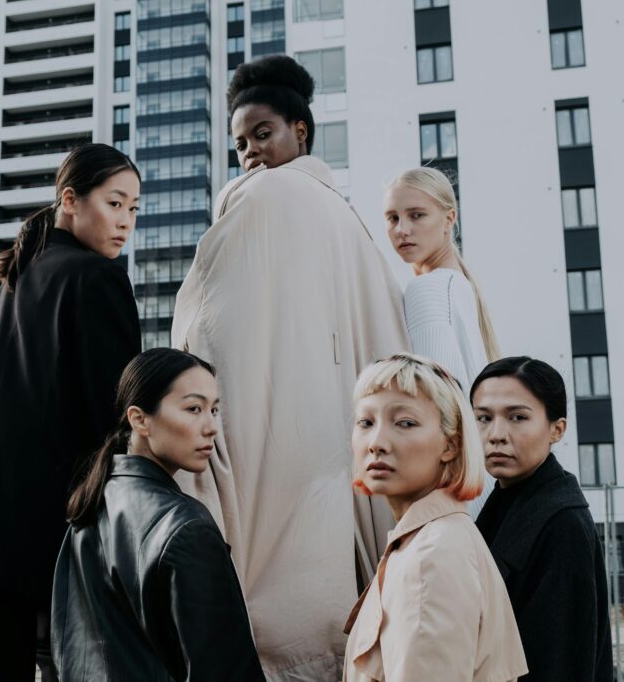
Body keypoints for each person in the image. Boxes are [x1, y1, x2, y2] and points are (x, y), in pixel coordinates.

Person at [171, 55, 409, 680]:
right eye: (240, 143)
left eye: (262, 133)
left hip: (279, 437)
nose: (249, 152)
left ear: (300, 130)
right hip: (347, 444)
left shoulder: (260, 198)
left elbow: (208, 324)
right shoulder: (351, 221)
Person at [0, 144, 142, 681]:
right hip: (40, 529)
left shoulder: (13, 284)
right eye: (115, 203)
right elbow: (114, 418)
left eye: (134, 209)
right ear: (71, 200)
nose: (126, 222)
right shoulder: (96, 278)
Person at [52, 348, 265, 681]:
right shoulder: (186, 527)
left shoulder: (92, 506)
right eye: (194, 408)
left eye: (214, 409)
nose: (211, 427)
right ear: (139, 419)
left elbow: (70, 649)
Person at [343, 353, 527, 681]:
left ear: (451, 445)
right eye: (366, 423)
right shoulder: (427, 540)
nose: (376, 443)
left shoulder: (431, 555)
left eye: (405, 423)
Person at [471, 357, 614, 681]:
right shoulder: (506, 501)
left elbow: (560, 664)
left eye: (517, 417)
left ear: (557, 429)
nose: (496, 435)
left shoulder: (561, 524)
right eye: (483, 418)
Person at [384, 166, 502, 516]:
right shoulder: (460, 286)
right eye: (392, 218)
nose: (402, 230)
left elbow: (434, 414)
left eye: (417, 215)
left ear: (449, 218)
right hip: (478, 492)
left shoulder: (428, 289)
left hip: (450, 499)